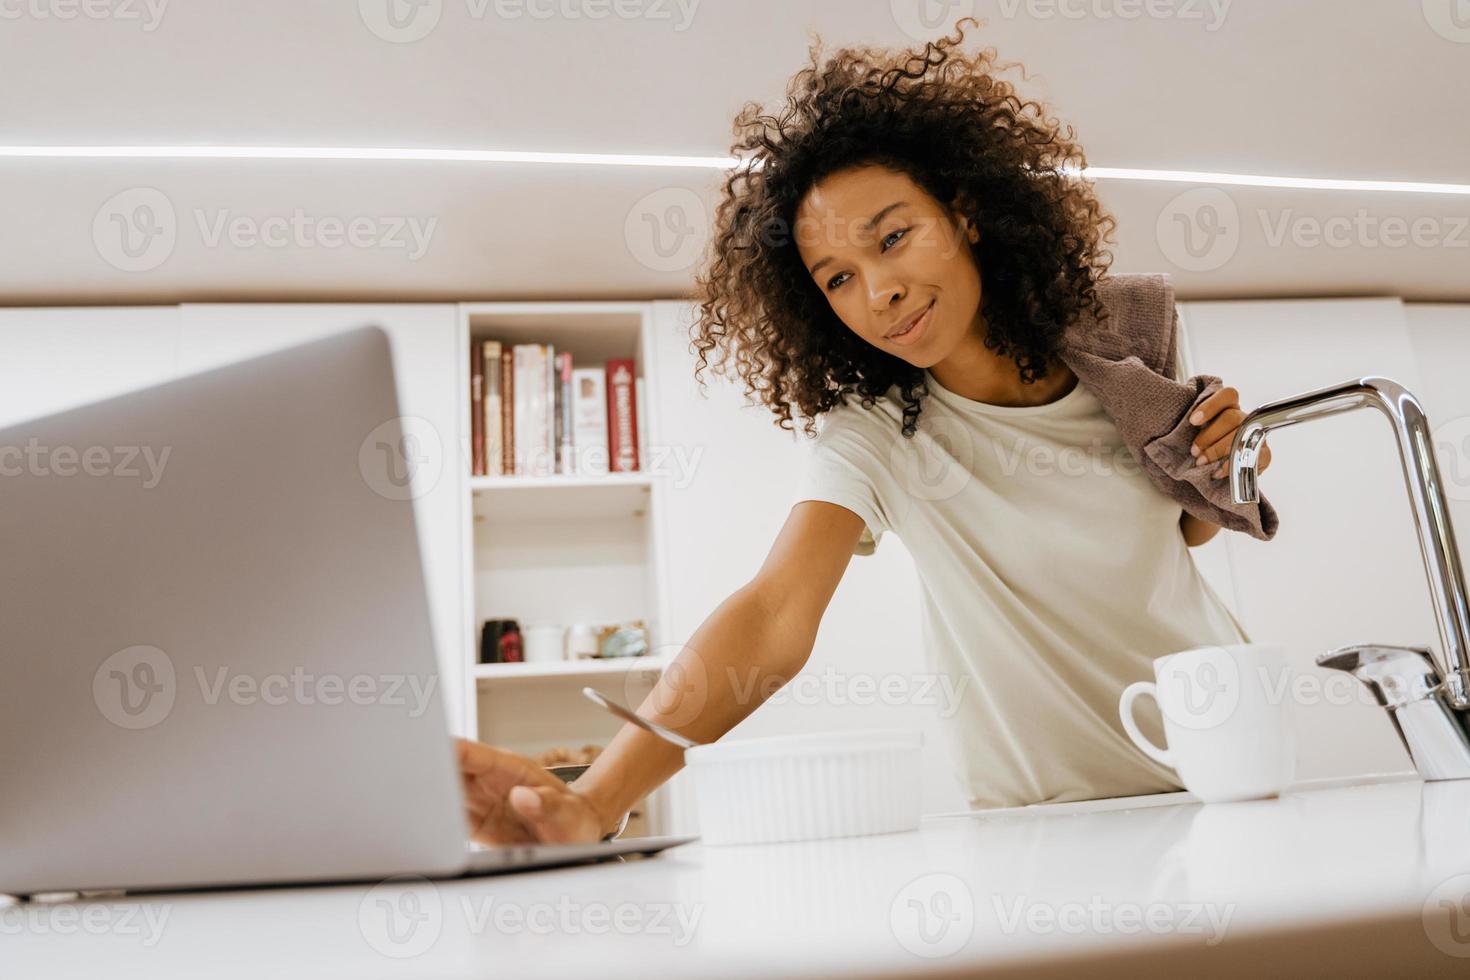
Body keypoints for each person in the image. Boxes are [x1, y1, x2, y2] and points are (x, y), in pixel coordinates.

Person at [457, 17, 1273, 844]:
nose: (878, 291)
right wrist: (597, 798)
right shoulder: (880, 432)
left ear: (965, 215)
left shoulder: (1125, 342)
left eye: (893, 237)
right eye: (839, 277)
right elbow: (773, 615)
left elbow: (1187, 531)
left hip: (1228, 771)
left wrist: (1220, 460)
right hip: (1043, 825)